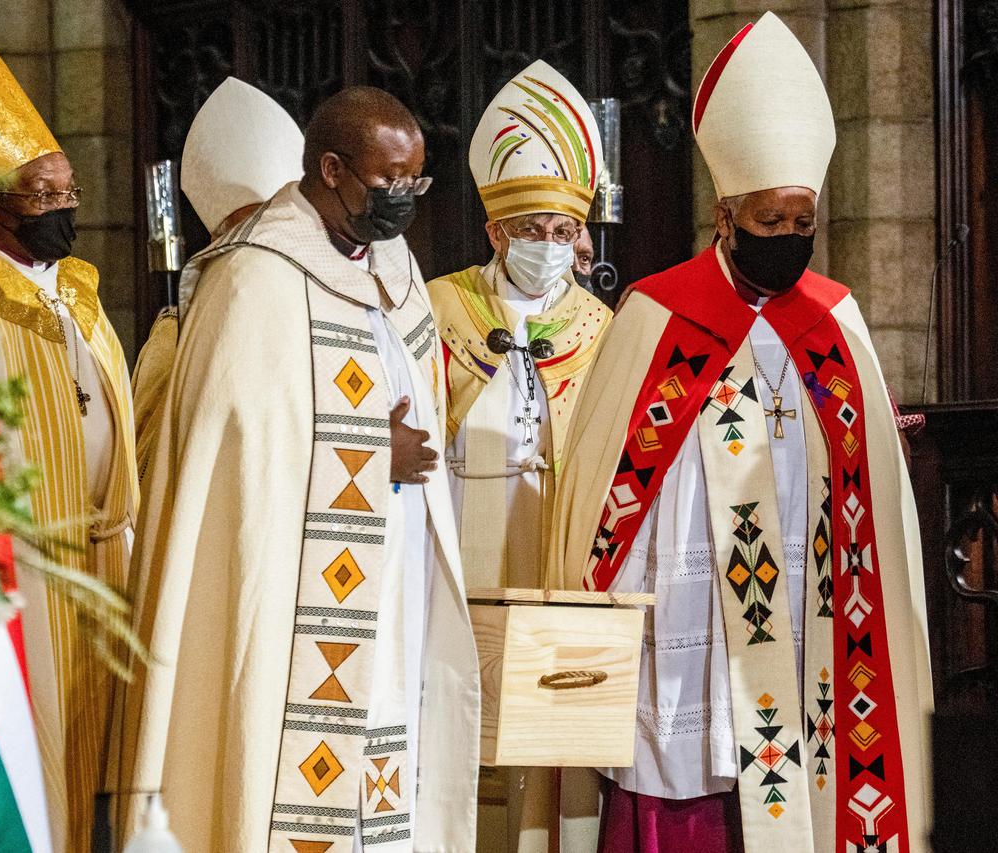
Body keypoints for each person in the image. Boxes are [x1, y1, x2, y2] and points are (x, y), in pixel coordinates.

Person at [548, 13, 932, 852]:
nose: (790, 241)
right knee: (686, 767)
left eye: (804, 224)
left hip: (810, 611)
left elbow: (873, 489)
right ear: (724, 215)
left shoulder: (835, 318)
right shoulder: (657, 313)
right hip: (684, 603)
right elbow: (607, 493)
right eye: (770, 224)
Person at [114, 87, 480, 851]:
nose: (406, 199)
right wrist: (376, 453)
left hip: (393, 573)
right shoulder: (255, 277)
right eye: (390, 183)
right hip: (290, 590)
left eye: (418, 181)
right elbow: (243, 456)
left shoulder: (396, 268)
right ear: (333, 168)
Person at [425, 59, 611, 852]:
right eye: (532, 230)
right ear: (496, 230)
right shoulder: (437, 307)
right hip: (458, 561)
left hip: (555, 561)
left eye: (563, 232)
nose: (549, 245)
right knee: (458, 731)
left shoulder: (601, 327)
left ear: (583, 234)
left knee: (547, 746)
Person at [0, 44, 139, 853]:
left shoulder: (81, 294)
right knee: (42, 748)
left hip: (106, 557)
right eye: (42, 195)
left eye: (69, 192)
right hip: (25, 565)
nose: (63, 208)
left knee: (112, 752)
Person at [130, 77, 305, 479]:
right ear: (218, 238)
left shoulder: (314, 313)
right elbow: (145, 464)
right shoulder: (178, 333)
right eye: (250, 226)